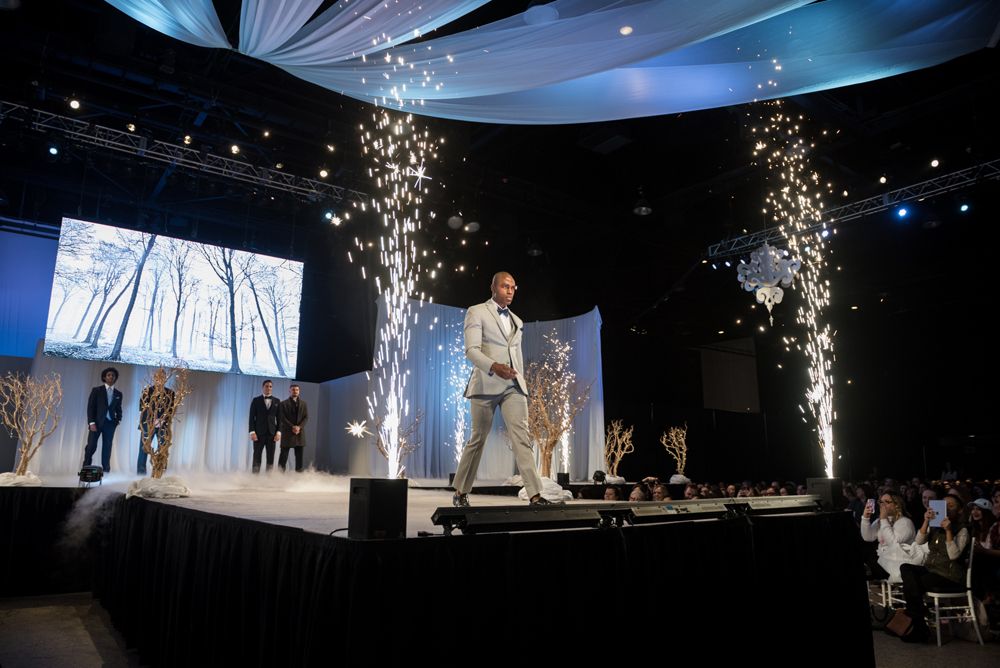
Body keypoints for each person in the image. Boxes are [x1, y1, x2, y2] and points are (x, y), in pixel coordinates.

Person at [452, 272, 550, 507]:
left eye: (514, 287)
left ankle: (535, 495)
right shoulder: (476, 311)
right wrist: (494, 367)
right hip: (485, 383)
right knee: (478, 438)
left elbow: (516, 355)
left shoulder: (517, 320)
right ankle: (460, 491)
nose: (510, 290)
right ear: (493, 287)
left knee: (522, 438)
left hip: (513, 386)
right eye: (505, 286)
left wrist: (520, 380)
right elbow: (471, 350)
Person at [898, 494, 969, 642]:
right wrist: (926, 521)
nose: (947, 509)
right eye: (944, 506)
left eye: (951, 506)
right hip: (932, 569)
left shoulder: (962, 530)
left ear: (960, 510)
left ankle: (919, 625)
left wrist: (949, 531)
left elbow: (953, 555)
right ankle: (919, 615)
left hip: (950, 575)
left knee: (913, 585)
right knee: (906, 568)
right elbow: (918, 541)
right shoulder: (935, 525)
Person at [84, 367, 123, 473]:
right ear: (104, 377)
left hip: (110, 424)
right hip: (96, 423)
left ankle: (106, 470)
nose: (111, 377)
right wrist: (91, 422)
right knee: (91, 446)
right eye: (109, 375)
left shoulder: (118, 394)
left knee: (107, 447)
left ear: (115, 378)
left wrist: (118, 420)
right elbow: (90, 407)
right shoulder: (96, 390)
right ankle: (86, 468)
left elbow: (118, 408)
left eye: (113, 375)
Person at [137, 368, 175, 475]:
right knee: (144, 449)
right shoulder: (147, 391)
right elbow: (142, 407)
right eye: (157, 376)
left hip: (163, 426)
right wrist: (153, 419)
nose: (160, 378)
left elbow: (171, 409)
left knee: (162, 449)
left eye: (162, 376)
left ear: (165, 378)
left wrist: (162, 419)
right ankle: (140, 473)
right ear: (154, 377)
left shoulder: (170, 393)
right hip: (147, 425)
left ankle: (160, 472)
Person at [248, 379, 281, 473]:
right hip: (258, 433)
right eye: (266, 386)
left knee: (270, 457)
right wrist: (252, 432)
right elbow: (251, 418)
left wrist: (278, 432)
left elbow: (279, 418)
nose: (268, 388)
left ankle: (268, 479)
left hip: (272, 434)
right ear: (263, 387)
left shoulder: (277, 401)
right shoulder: (256, 400)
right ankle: (255, 478)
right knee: (257, 456)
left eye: (270, 386)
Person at [278, 383, 308, 472]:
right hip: (287, 432)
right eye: (293, 390)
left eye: (297, 390)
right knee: (283, 456)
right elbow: (282, 417)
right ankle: (279, 476)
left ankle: (298, 477)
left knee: (299, 458)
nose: (295, 391)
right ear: (289, 391)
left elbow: (306, 417)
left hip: (300, 433)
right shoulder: (283, 403)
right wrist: (293, 427)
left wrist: (299, 427)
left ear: (299, 391)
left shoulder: (304, 403)